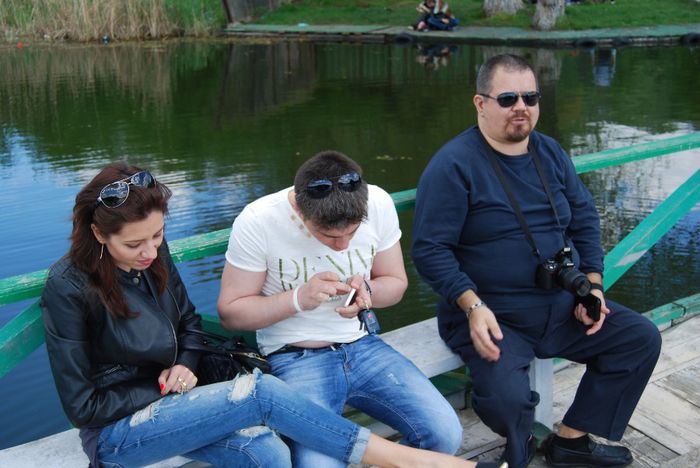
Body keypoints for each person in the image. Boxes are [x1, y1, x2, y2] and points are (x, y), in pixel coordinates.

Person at [40, 162, 504, 468]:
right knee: (256, 394)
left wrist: (184, 366)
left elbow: (190, 327)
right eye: (134, 244)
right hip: (118, 434)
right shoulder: (68, 286)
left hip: (183, 401)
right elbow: (82, 407)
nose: (150, 251)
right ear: (100, 235)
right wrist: (165, 389)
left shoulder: (155, 258)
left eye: (158, 236)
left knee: (271, 457)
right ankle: (414, 461)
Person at [411, 54, 661, 468]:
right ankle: (521, 440)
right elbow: (429, 250)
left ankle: (570, 442)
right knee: (506, 400)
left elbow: (584, 220)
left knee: (639, 340)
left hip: (562, 306)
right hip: (492, 315)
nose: (520, 107)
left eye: (530, 96)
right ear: (480, 103)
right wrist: (471, 306)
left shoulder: (551, 152)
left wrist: (592, 286)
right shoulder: (453, 164)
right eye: (507, 98)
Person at [217, 150, 465, 468]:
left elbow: (396, 284)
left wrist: (369, 292)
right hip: (294, 357)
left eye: (352, 233)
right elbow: (231, 312)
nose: (343, 245)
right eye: (330, 236)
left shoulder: (377, 202)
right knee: (317, 465)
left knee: (444, 436)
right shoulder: (259, 220)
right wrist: (298, 299)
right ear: (301, 212)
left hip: (364, 346)